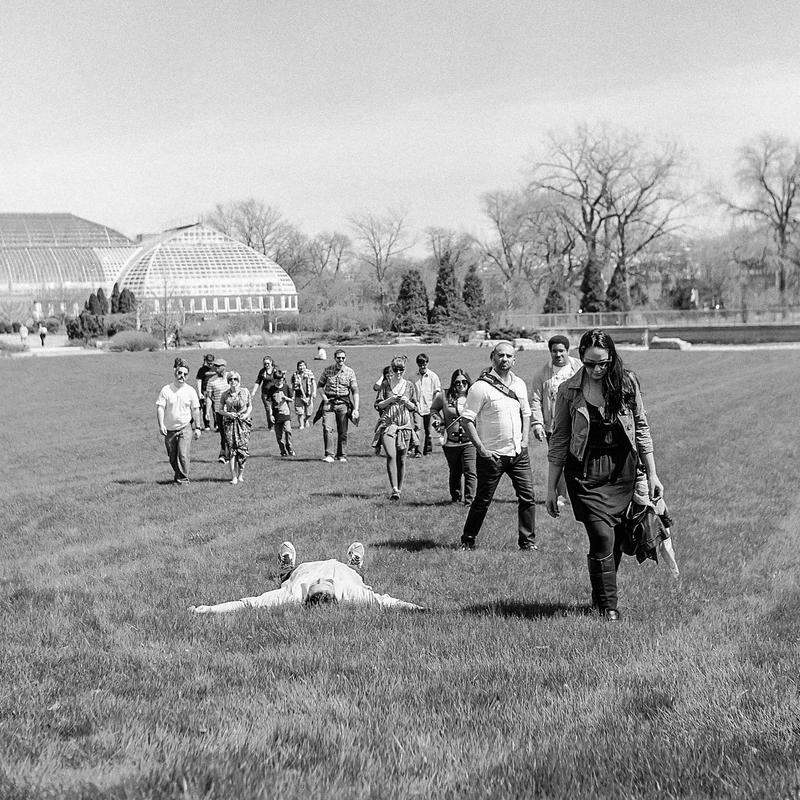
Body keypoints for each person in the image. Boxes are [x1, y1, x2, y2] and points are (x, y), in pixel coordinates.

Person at [546, 329, 664, 621]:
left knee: (616, 537)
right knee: (601, 536)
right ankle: (609, 607)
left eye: (603, 363)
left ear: (612, 358)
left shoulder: (626, 382)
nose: (597, 369)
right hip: (584, 474)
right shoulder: (568, 390)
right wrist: (551, 487)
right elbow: (559, 439)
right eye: (590, 363)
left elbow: (641, 427)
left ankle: (600, 597)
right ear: (581, 358)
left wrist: (652, 474)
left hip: (621, 471)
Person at [190, 541, 423, 612]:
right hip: (345, 572)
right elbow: (386, 601)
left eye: (316, 585)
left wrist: (209, 609)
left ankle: (286, 569)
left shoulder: (292, 595)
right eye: (325, 585)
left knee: (289, 577)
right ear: (334, 595)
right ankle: (355, 566)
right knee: (353, 576)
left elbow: (250, 603)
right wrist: (417, 608)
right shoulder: (350, 593)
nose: (321, 580)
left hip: (301, 569)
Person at [459, 341, 536, 552]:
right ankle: (468, 539)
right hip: (492, 455)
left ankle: (527, 542)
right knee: (483, 500)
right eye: (500, 355)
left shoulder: (519, 383)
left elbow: (527, 413)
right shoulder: (480, 387)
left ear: (514, 359)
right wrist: (482, 449)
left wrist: (525, 439)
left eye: (509, 356)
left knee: (528, 498)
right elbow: (466, 420)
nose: (504, 360)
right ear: (492, 357)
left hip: (518, 453)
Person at [530, 335, 583, 504]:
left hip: (579, 424)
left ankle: (580, 493)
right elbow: (535, 400)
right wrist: (537, 423)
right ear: (550, 352)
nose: (558, 355)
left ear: (568, 351)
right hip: (554, 426)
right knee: (558, 460)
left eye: (561, 351)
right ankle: (561, 495)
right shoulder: (542, 374)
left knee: (579, 459)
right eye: (554, 351)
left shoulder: (580, 368)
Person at [373, 355, 419, 500]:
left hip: (405, 427)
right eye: (395, 369)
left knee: (402, 459)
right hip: (388, 425)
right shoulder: (386, 385)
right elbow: (378, 405)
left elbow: (415, 407)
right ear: (391, 369)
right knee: (391, 455)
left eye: (401, 369)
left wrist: (407, 402)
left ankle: (399, 488)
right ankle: (394, 489)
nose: (398, 372)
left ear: (404, 369)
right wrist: (390, 400)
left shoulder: (410, 386)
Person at [431, 370, 477, 505]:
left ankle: (470, 501)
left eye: (464, 382)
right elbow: (433, 409)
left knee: (470, 471)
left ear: (468, 382)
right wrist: (438, 421)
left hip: (470, 442)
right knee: (455, 472)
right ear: (452, 383)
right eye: (457, 382)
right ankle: (455, 499)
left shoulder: (474, 396)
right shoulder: (444, 395)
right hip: (451, 443)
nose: (461, 385)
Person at [155, 358, 202, 484]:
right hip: (170, 429)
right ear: (175, 372)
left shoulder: (190, 391)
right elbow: (160, 408)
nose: (182, 376)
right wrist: (161, 425)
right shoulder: (166, 390)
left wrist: (198, 427)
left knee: (183, 455)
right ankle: (178, 476)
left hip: (185, 427)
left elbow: (196, 410)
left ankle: (183, 480)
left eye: (185, 374)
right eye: (180, 373)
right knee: (172, 457)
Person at [316, 349, 359, 463]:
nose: (341, 360)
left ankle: (342, 455)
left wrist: (356, 409)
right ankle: (329, 454)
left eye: (343, 358)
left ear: (345, 358)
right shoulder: (328, 370)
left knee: (343, 431)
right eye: (338, 358)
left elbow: (355, 391)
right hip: (329, 403)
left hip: (343, 404)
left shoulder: (350, 372)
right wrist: (325, 398)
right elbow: (320, 386)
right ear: (335, 358)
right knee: (327, 428)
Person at [219, 371, 252, 484]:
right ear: (228, 381)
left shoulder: (245, 392)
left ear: (239, 380)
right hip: (230, 423)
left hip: (243, 423)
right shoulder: (225, 394)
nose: (233, 381)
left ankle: (241, 475)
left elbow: (250, 406)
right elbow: (220, 410)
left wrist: (246, 415)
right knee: (232, 449)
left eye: (235, 379)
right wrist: (228, 414)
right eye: (231, 379)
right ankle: (233, 477)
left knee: (242, 450)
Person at [411, 353, 441, 457]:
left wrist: (435, 406)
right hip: (417, 408)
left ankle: (428, 450)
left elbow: (437, 392)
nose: (422, 366)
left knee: (428, 430)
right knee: (417, 428)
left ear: (427, 363)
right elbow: (410, 392)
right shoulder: (413, 377)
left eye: (424, 363)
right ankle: (418, 452)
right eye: (420, 364)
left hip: (430, 407)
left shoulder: (433, 376)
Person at [205, 358, 229, 463]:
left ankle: (229, 454)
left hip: (231, 411)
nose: (216, 368)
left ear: (224, 366)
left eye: (218, 366)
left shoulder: (231, 377)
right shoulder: (211, 381)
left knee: (231, 434)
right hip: (219, 411)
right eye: (215, 366)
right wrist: (207, 412)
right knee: (223, 434)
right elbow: (209, 398)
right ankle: (224, 455)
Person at [266, 369, 295, 457]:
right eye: (277, 380)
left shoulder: (286, 387)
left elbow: (292, 399)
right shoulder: (271, 389)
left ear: (283, 379)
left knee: (288, 431)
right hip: (276, 415)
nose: (279, 381)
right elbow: (270, 403)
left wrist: (286, 398)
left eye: (281, 379)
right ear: (274, 380)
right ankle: (283, 451)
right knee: (279, 436)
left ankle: (289, 447)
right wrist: (270, 415)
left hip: (286, 413)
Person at [252, 355, 278, 430]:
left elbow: (281, 379)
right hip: (265, 394)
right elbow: (258, 382)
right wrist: (253, 392)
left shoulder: (276, 369)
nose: (266, 365)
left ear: (271, 362)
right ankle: (271, 427)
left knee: (276, 409)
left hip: (275, 393)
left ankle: (278, 424)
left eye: (268, 363)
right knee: (268, 409)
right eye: (265, 364)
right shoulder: (262, 371)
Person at [291, 360, 317, 429]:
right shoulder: (295, 375)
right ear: (297, 367)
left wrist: (314, 392)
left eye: (303, 365)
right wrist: (292, 395)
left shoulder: (309, 373)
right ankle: (301, 425)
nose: (302, 367)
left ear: (305, 366)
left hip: (308, 396)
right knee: (300, 412)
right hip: (298, 396)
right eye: (300, 365)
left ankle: (306, 419)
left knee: (309, 413)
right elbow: (292, 385)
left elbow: (313, 382)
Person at [195, 353, 216, 430]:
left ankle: (216, 425)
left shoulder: (215, 368)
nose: (210, 364)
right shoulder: (202, 370)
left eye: (211, 362)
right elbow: (199, 381)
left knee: (215, 408)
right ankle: (207, 425)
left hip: (214, 391)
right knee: (205, 408)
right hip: (205, 391)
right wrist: (199, 393)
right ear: (206, 361)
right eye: (209, 362)